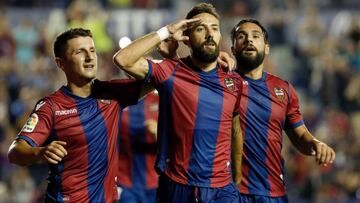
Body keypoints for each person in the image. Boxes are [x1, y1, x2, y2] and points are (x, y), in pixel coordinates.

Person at [113, 3, 243, 203]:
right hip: (177, 187)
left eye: (214, 28)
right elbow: (123, 60)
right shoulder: (170, 71)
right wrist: (166, 31)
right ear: (187, 39)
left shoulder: (233, 81)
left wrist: (238, 177)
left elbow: (235, 130)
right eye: (200, 29)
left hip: (222, 189)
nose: (209, 34)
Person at [7, 28, 151, 203]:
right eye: (79, 52)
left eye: (92, 51)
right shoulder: (51, 106)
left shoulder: (113, 93)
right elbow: (15, 152)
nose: (90, 57)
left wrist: (164, 34)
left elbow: (157, 77)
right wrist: (40, 152)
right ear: (61, 63)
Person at [230, 18, 336, 202]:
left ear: (267, 47)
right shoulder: (220, 83)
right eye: (242, 36)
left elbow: (300, 136)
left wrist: (316, 145)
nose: (249, 40)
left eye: (255, 36)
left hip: (274, 192)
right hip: (230, 192)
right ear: (232, 49)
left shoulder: (283, 89)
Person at [117, 91, 159, 203]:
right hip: (125, 183)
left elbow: (181, 146)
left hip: (155, 183)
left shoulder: (161, 100)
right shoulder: (116, 102)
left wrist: (161, 134)